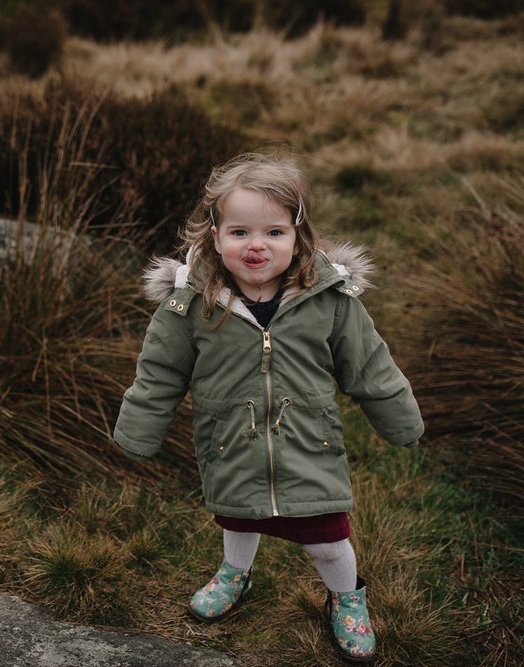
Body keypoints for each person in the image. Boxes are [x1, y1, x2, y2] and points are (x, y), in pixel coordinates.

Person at [113, 152, 423, 663]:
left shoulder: (331, 299)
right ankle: (235, 574)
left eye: (274, 232)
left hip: (309, 444)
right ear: (213, 237)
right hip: (230, 439)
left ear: (299, 236)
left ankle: (346, 596)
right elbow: (161, 372)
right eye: (239, 232)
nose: (256, 245)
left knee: (325, 538)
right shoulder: (190, 304)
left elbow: (370, 365)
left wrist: (399, 418)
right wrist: (140, 428)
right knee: (237, 518)